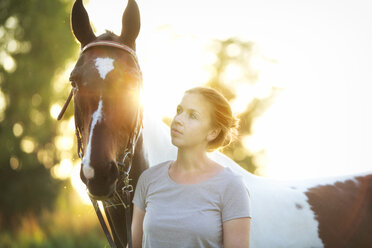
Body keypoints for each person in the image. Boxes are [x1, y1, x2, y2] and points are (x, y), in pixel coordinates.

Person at [131, 86, 251, 248]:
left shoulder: (231, 186)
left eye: (192, 116)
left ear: (213, 132)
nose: (178, 119)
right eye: (179, 110)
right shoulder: (149, 179)